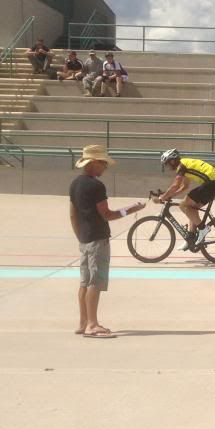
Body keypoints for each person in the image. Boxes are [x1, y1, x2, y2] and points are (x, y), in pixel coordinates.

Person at [68, 145, 145, 338]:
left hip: (85, 239)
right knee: (96, 282)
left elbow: (72, 214)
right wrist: (131, 209)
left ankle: (83, 322)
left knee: (85, 282)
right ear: (94, 163)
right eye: (103, 163)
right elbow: (108, 215)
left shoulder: (75, 184)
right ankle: (92, 325)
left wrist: (80, 237)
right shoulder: (96, 186)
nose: (105, 167)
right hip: (98, 238)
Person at [155, 149, 215, 250]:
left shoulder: (181, 166)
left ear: (172, 161)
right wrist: (170, 196)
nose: (168, 167)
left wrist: (163, 197)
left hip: (212, 184)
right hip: (214, 184)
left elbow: (175, 185)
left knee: (183, 205)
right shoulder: (185, 165)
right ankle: (190, 239)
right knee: (190, 209)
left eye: (167, 164)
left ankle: (203, 229)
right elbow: (184, 186)